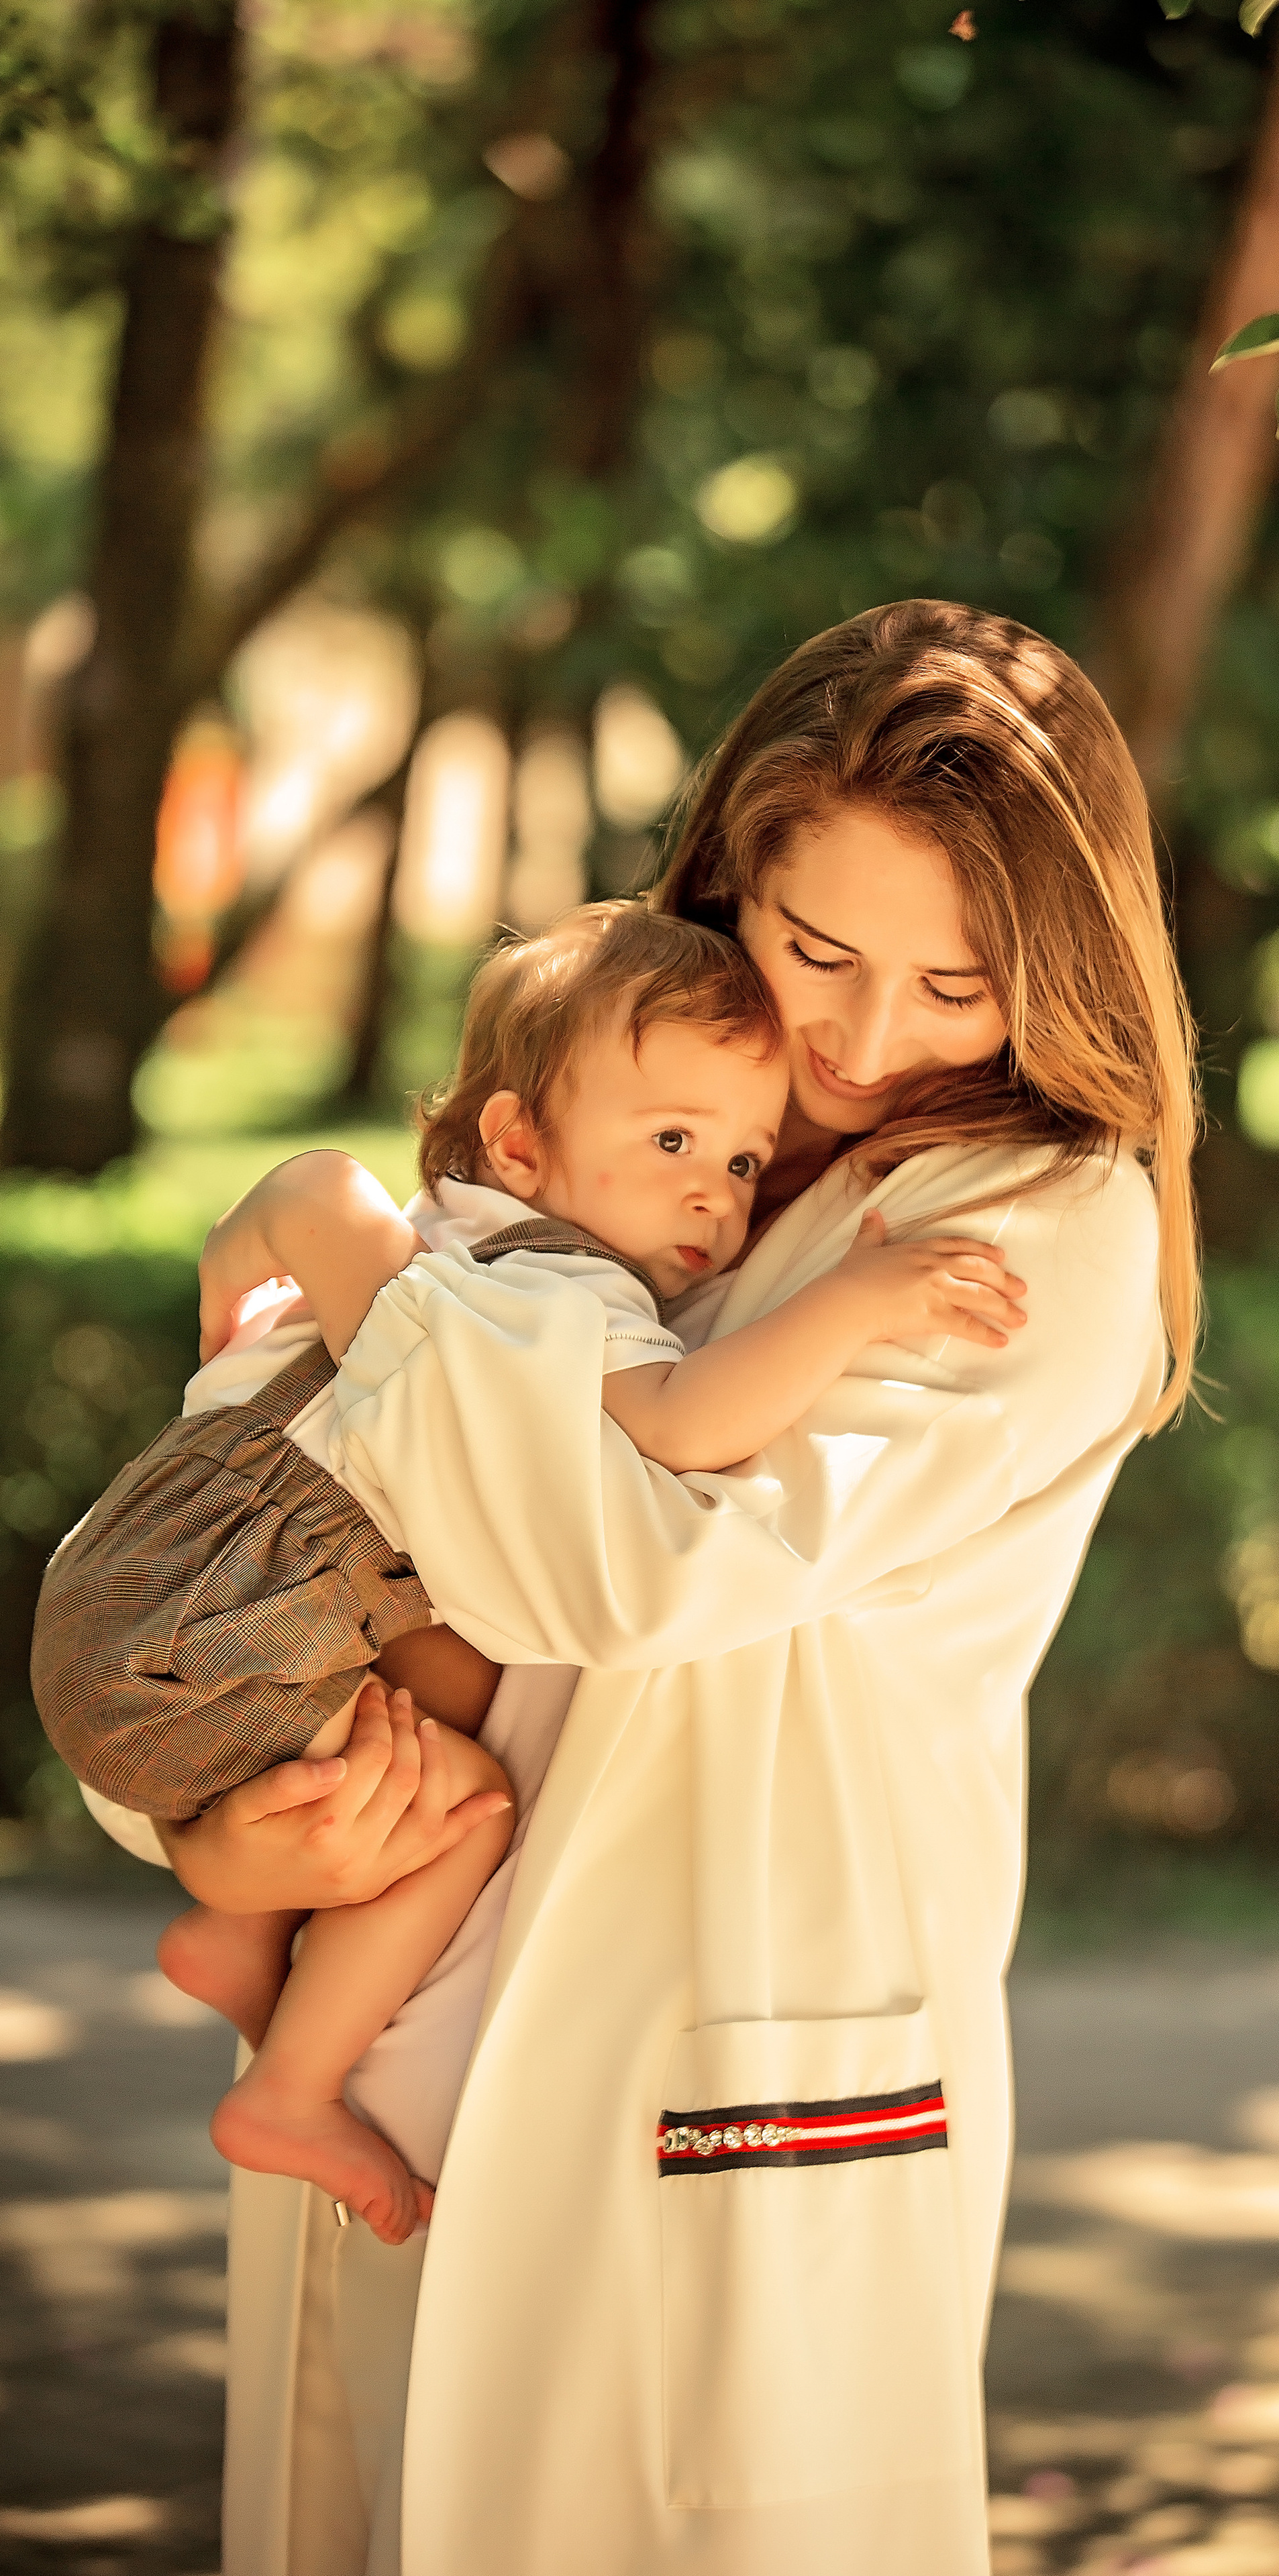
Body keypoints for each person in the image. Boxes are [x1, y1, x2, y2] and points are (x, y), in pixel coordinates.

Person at [93, 601, 1200, 2576]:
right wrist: (208, 1813)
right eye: (817, 951)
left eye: (957, 982)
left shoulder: (1042, 1220)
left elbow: (624, 1565)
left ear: (1060, 964)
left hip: (722, 2081)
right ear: (728, 886)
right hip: (407, 2022)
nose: (862, 1046)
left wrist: (347, 1243)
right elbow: (259, 1510)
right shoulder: (642, 1090)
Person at [37, 904, 1023, 2244]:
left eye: (741, 1159)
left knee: (431, 1690)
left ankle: (242, 1937)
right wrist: (858, 1299)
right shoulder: (558, 1294)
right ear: (517, 1142)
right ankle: (292, 2084)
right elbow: (681, 1424)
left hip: (122, 1592)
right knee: (463, 1807)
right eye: (671, 1140)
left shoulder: (444, 1242)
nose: (711, 1192)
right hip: (207, 1639)